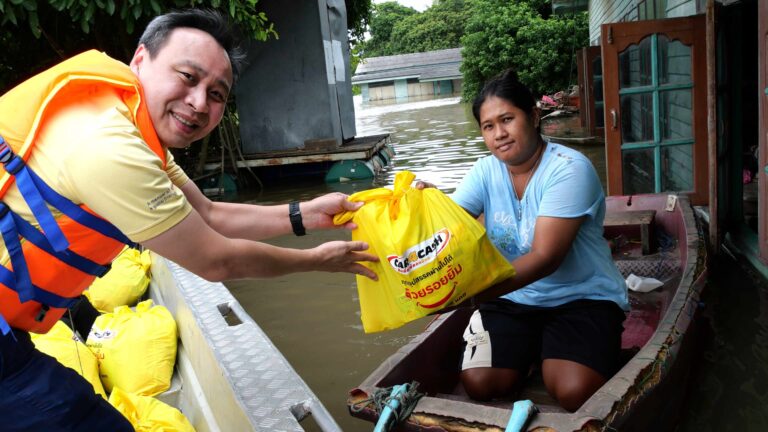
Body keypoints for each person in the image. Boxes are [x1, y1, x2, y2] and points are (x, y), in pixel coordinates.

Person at [0, 9, 378, 431]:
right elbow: (217, 261)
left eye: (217, 94)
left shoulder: (126, 123)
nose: (199, 103)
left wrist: (304, 215)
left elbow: (210, 213)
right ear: (140, 59)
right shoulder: (109, 146)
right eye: (188, 77)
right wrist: (317, 261)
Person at [449, 70, 628, 412]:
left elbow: (546, 257)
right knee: (480, 384)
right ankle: (530, 348)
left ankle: (553, 350)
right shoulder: (484, 171)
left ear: (532, 116)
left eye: (507, 119)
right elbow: (447, 227)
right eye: (488, 126)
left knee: (574, 391)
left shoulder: (568, 168)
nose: (499, 134)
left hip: (581, 297)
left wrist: (468, 296)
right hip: (512, 298)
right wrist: (420, 208)